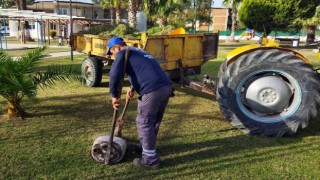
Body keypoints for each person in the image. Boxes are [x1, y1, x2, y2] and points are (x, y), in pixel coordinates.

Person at [107, 36, 172, 169]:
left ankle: (150, 160)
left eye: (112, 53)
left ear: (117, 48)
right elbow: (142, 71)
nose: (113, 56)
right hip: (165, 87)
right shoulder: (140, 51)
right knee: (153, 121)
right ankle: (146, 148)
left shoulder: (122, 53)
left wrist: (114, 95)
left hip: (152, 89)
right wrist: (133, 88)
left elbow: (114, 75)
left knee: (144, 122)